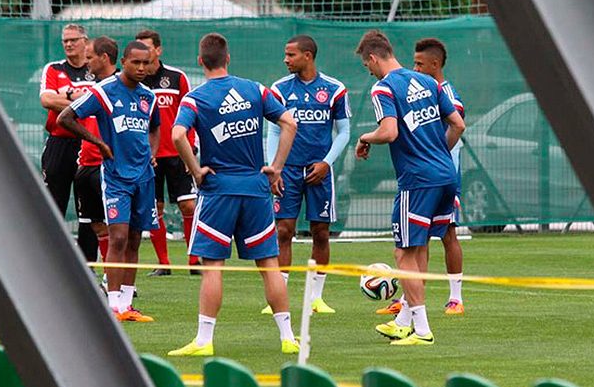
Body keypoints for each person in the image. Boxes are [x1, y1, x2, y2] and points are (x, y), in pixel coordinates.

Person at [167, 32, 299, 356]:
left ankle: (204, 341)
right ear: (228, 58)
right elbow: (290, 123)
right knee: (269, 263)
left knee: (213, 266)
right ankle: (287, 337)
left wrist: (196, 170)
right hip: (255, 188)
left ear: (201, 61)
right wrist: (277, 167)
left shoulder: (195, 98)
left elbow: (177, 134)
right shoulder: (255, 89)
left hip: (219, 190)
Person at [354, 30, 465, 346]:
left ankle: (423, 331)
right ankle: (403, 320)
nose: (370, 72)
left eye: (368, 66)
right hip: (446, 176)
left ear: (374, 58)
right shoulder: (430, 83)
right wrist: (439, 154)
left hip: (417, 181)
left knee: (402, 252)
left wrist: (364, 138)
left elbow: (388, 132)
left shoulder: (384, 88)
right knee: (417, 250)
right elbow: (458, 124)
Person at [57, 41, 160, 323]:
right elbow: (66, 117)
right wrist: (98, 142)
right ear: (123, 61)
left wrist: (152, 153)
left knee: (136, 239)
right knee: (118, 237)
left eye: (146, 63)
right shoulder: (103, 92)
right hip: (116, 177)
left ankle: (127, 305)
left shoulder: (148, 97)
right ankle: (112, 305)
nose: (141, 68)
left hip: (144, 177)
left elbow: (155, 127)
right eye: (135, 62)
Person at [377, 37, 467, 316]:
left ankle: (455, 297)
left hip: (439, 174)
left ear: (435, 64)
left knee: (448, 235)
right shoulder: (420, 87)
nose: (414, 68)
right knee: (419, 241)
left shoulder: (445, 92)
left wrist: (435, 154)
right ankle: (409, 303)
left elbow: (457, 126)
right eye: (413, 63)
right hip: (433, 171)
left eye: (419, 63)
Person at [263, 35, 351, 314]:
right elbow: (274, 130)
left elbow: (345, 132)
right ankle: (281, 297)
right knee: (283, 230)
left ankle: (316, 298)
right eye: (285, 55)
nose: (285, 60)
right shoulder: (278, 90)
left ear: (308, 56)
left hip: (319, 170)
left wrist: (326, 163)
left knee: (321, 232)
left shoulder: (334, 89)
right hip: (287, 170)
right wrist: (274, 168)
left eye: (291, 55)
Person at [135, 29, 201, 277]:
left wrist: (190, 150)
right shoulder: (133, 80)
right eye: (138, 47)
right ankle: (163, 263)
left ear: (158, 50)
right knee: (154, 209)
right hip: (147, 156)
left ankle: (194, 261)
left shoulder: (176, 77)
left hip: (177, 153)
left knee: (188, 205)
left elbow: (192, 115)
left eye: (147, 47)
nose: (143, 53)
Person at [39, 23, 98, 261]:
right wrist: (81, 101)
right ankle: (47, 259)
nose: (69, 44)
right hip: (60, 144)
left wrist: (66, 98)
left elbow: (104, 101)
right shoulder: (54, 69)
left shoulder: (96, 70)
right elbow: (47, 100)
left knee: (90, 208)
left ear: (85, 41)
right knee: (53, 204)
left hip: (89, 145)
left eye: (73, 40)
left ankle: (88, 263)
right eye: (65, 41)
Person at [72, 36, 119, 270]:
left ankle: (114, 281)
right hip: (86, 164)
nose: (86, 62)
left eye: (90, 57)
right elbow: (67, 117)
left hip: (108, 167)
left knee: (117, 228)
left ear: (104, 58)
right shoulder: (94, 90)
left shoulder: (121, 87)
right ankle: (106, 277)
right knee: (97, 225)